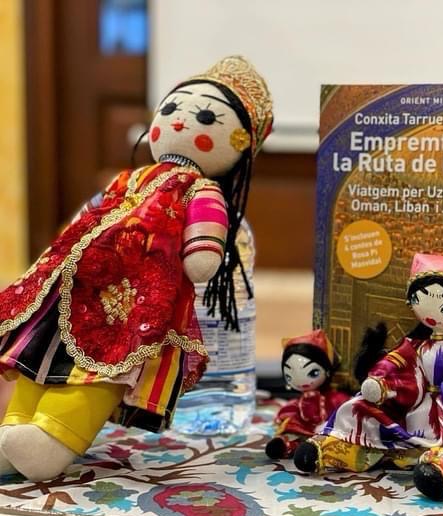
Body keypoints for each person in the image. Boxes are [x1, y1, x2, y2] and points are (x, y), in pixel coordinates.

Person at [0, 56, 272, 481]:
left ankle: (52, 439)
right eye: (172, 109)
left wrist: (202, 252)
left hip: (134, 306)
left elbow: (204, 249)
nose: (180, 122)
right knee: (44, 352)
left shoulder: (200, 191)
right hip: (79, 287)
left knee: (107, 367)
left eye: (205, 117)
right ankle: (13, 429)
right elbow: (88, 218)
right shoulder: (128, 180)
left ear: (241, 144)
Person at [294, 253, 443, 500]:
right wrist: (381, 381)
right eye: (421, 300)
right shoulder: (411, 347)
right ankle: (339, 448)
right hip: (409, 404)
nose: (433, 314)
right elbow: (394, 363)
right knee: (364, 408)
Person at [265, 329, 348, 459]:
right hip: (303, 427)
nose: (302, 381)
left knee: (332, 442)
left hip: (326, 430)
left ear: (327, 371)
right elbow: (292, 409)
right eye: (289, 376)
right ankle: (286, 446)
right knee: (291, 430)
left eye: (313, 373)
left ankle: (311, 451)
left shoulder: (332, 398)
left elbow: (344, 408)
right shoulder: (299, 401)